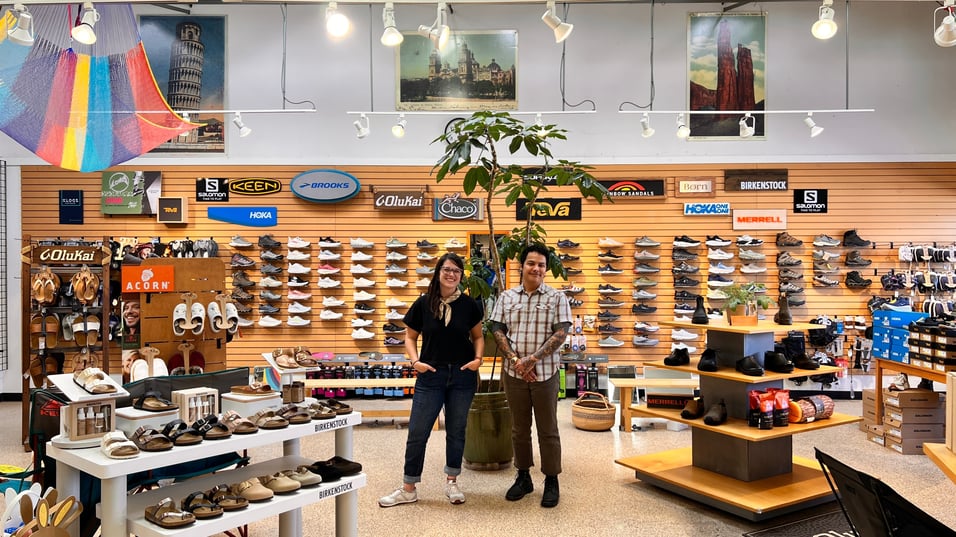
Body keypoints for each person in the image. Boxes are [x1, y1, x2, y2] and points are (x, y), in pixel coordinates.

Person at [379, 252, 485, 507]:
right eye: (447, 269)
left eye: (457, 271)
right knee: (417, 431)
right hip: (431, 375)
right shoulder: (424, 303)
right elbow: (409, 337)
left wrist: (478, 359)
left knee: (456, 431)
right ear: (438, 272)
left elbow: (479, 337)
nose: (451, 275)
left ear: (461, 276)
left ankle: (452, 483)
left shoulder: (469, 305)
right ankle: (408, 487)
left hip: (462, 376)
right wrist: (415, 362)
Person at [489, 243, 572, 508]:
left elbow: (560, 334)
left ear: (546, 269)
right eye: (531, 263)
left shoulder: (557, 297)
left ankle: (551, 479)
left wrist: (532, 359)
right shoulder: (507, 297)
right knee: (519, 429)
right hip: (514, 374)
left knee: (548, 430)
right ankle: (523, 476)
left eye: (541, 265)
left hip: (545, 374)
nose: (536, 268)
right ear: (521, 266)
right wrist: (516, 361)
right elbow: (498, 329)